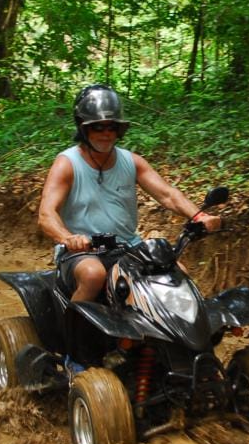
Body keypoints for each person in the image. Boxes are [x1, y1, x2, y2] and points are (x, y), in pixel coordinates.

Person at [38, 84, 220, 307]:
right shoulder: (67, 163)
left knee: (177, 273)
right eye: (97, 127)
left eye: (112, 127)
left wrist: (199, 217)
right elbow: (47, 214)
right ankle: (69, 337)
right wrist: (68, 238)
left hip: (127, 247)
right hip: (82, 252)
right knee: (93, 274)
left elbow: (167, 195)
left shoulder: (131, 161)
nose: (106, 134)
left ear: (119, 130)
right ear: (83, 129)